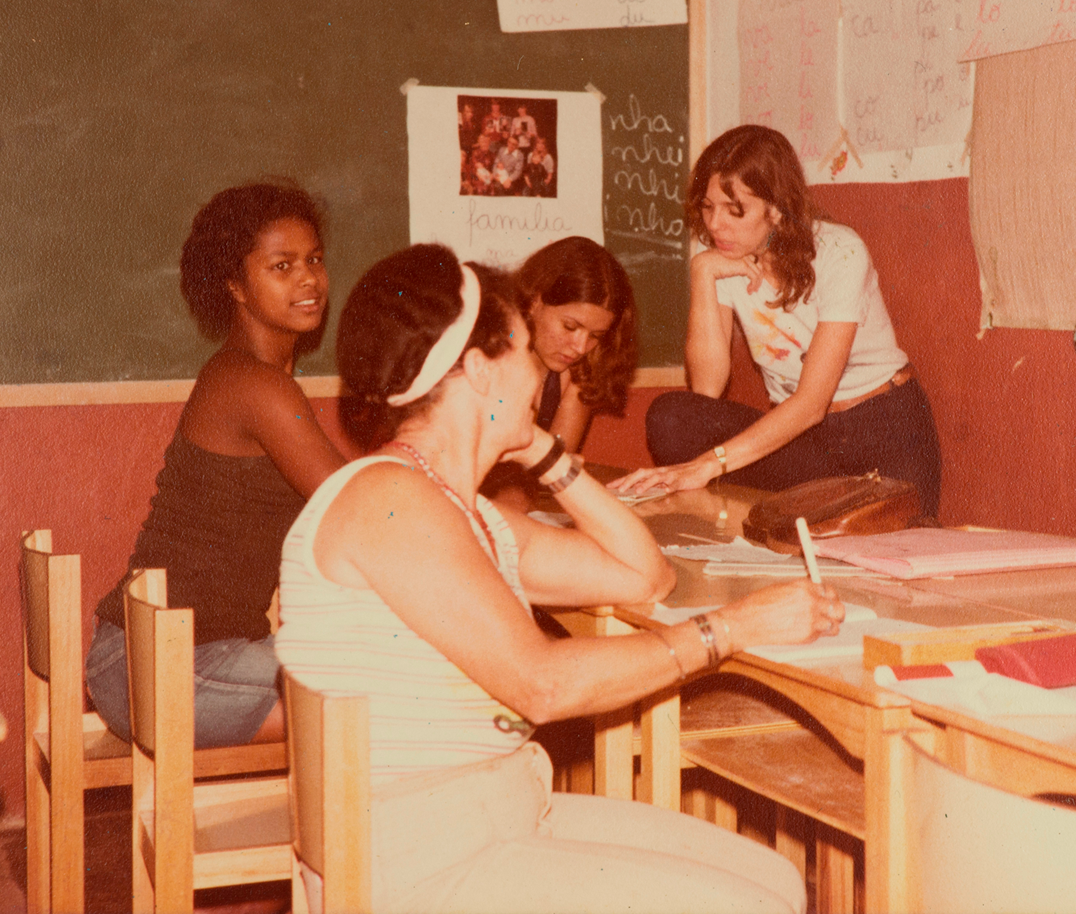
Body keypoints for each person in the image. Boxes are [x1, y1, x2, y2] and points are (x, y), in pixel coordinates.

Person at [275, 244, 840, 913]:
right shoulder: (391, 503)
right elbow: (543, 684)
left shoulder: (458, 507)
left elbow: (642, 577)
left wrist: (545, 452)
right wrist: (735, 628)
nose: (540, 369)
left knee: (772, 882)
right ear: (482, 370)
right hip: (418, 863)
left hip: (495, 814)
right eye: (524, 349)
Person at [86, 183, 345, 748]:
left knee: (379, 670)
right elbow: (353, 501)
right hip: (163, 668)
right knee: (384, 687)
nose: (308, 279)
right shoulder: (255, 385)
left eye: (315, 260)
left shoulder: (253, 377)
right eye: (282, 266)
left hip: (165, 656)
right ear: (235, 286)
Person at [611, 125, 941, 514]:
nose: (716, 225)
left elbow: (811, 404)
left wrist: (703, 466)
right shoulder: (717, 253)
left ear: (777, 209)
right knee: (673, 416)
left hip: (882, 428)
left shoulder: (840, 252)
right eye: (707, 206)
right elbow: (705, 390)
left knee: (892, 547)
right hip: (804, 444)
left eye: (735, 211)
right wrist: (702, 274)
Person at [515, 236, 636, 453]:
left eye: (596, 335)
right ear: (534, 300)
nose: (580, 348)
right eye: (570, 327)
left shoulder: (578, 370)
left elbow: (554, 470)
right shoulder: (490, 355)